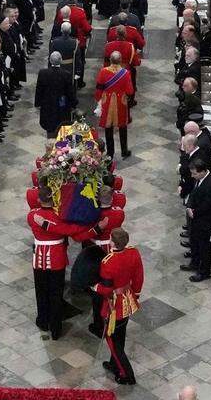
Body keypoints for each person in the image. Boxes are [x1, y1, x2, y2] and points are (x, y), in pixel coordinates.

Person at [29, 188, 100, 339]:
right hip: (56, 259)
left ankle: (43, 320)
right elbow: (70, 229)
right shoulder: (59, 217)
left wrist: (46, 225)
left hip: (39, 259)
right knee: (55, 293)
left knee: (41, 291)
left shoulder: (32, 216)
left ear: (39, 200)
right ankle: (56, 328)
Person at [93, 227, 144, 385]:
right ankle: (114, 364)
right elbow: (138, 276)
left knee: (113, 341)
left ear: (112, 242)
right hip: (128, 299)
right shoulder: (133, 252)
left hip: (114, 305)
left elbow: (107, 289)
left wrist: (95, 287)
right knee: (120, 335)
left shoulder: (108, 262)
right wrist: (135, 295)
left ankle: (126, 374)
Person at [95, 51, 135, 158]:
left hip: (107, 101)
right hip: (121, 102)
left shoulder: (103, 71)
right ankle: (124, 150)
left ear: (110, 60)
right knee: (122, 127)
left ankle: (110, 153)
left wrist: (99, 100)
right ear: (120, 60)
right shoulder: (125, 73)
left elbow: (99, 89)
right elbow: (130, 91)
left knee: (108, 129)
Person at [182, 159, 211, 282]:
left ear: (202, 171)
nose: (192, 176)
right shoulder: (199, 179)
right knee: (195, 241)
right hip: (196, 218)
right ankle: (195, 263)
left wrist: (194, 212)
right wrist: (190, 205)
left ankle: (204, 272)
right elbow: (193, 193)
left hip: (205, 221)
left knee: (204, 247)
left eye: (194, 173)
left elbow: (208, 204)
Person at [35, 51, 77, 135]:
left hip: (47, 105)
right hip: (61, 105)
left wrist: (38, 103)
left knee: (49, 129)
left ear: (50, 61)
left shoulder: (43, 73)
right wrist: (73, 104)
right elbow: (70, 92)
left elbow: (39, 90)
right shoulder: (66, 74)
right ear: (61, 60)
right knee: (61, 128)